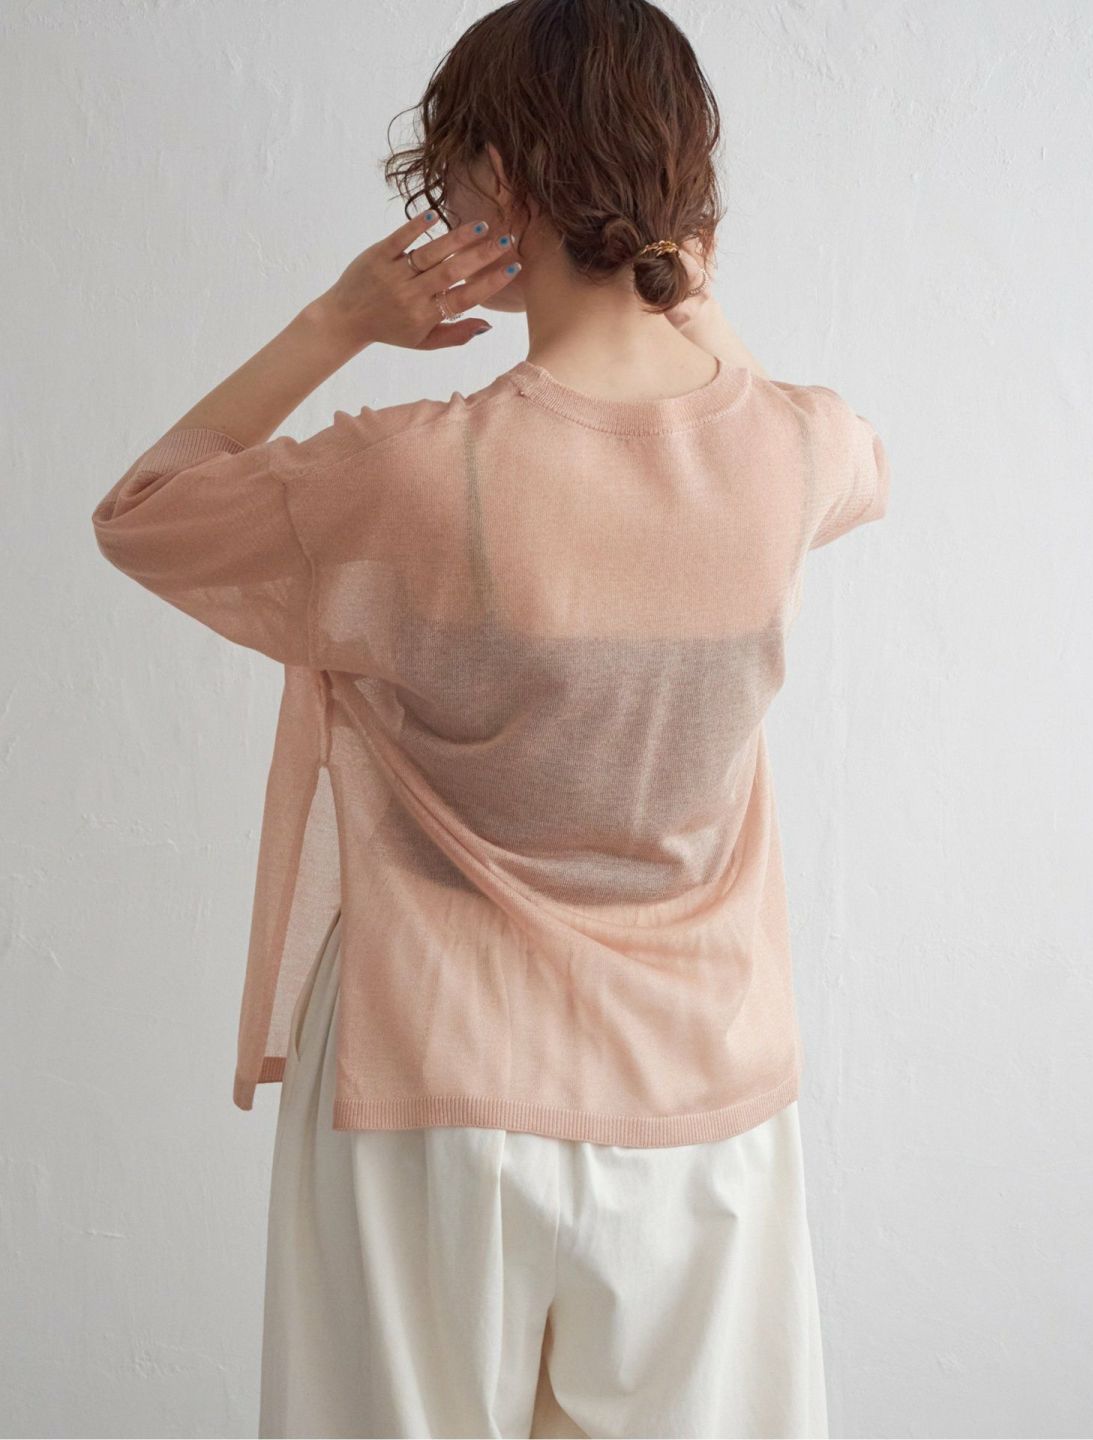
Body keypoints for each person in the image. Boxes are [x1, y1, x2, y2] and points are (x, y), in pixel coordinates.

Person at [91, 0, 890, 1435]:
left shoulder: (406, 475)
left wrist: (341, 319)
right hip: (701, 1107)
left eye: (451, 174)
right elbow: (848, 458)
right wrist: (689, 300)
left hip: (430, 1088)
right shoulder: (798, 447)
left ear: (502, 179)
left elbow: (143, 514)